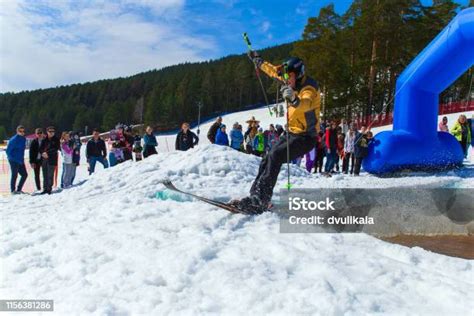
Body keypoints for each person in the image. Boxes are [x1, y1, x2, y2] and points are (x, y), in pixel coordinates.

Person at [231, 55, 320, 213]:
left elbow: (306, 103)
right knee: (268, 156)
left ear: (298, 75)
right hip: (291, 132)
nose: (286, 80)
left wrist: (294, 99)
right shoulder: (288, 78)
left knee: (276, 155)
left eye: (289, 77)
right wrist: (258, 61)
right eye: (285, 76)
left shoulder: (309, 88)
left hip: (306, 137)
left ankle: (261, 200)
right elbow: (273, 71)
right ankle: (256, 195)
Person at [6, 125, 28, 194]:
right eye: (20, 131)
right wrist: (12, 159)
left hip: (20, 160)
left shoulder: (23, 139)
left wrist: (21, 160)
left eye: (23, 131)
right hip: (13, 160)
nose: (22, 132)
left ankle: (19, 189)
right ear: (17, 131)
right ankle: (13, 190)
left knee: (24, 175)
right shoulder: (13, 139)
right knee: (14, 175)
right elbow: (8, 151)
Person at [39, 126, 60, 194]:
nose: (51, 133)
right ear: (47, 132)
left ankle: (49, 189)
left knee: (50, 175)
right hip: (44, 159)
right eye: (50, 131)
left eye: (53, 131)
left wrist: (47, 153)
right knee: (45, 174)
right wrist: (42, 153)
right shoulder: (44, 139)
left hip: (52, 159)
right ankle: (45, 188)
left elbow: (56, 148)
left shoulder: (56, 139)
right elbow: (41, 148)